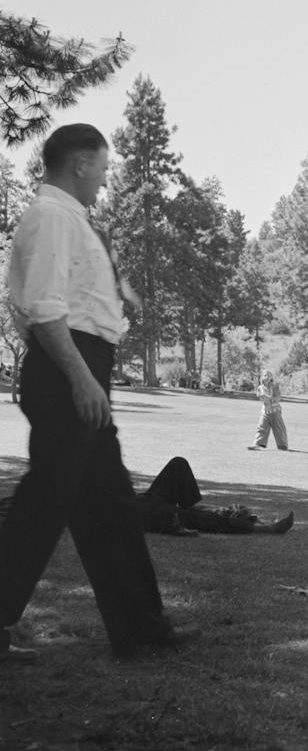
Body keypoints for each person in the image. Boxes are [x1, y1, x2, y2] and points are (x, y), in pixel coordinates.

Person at [0, 124, 197, 661]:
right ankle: (141, 630)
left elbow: (56, 301)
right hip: (71, 370)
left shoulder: (70, 220)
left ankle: (141, 631)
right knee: (45, 503)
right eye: (105, 169)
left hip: (78, 364)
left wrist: (118, 297)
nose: (106, 181)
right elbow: (40, 309)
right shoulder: (51, 217)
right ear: (81, 164)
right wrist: (79, 377)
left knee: (106, 505)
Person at [138, 457, 294, 536]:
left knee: (178, 464)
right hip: (134, 511)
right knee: (180, 515)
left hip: (137, 502)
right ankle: (266, 529)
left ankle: (206, 512)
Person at [248, 370, 287, 450]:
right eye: (265, 375)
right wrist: (263, 397)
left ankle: (282, 446)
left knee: (278, 428)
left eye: (269, 375)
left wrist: (269, 398)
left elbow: (278, 398)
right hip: (265, 411)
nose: (267, 377)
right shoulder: (260, 388)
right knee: (261, 427)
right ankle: (258, 444)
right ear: (262, 377)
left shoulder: (275, 386)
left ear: (271, 377)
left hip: (275, 410)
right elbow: (260, 397)